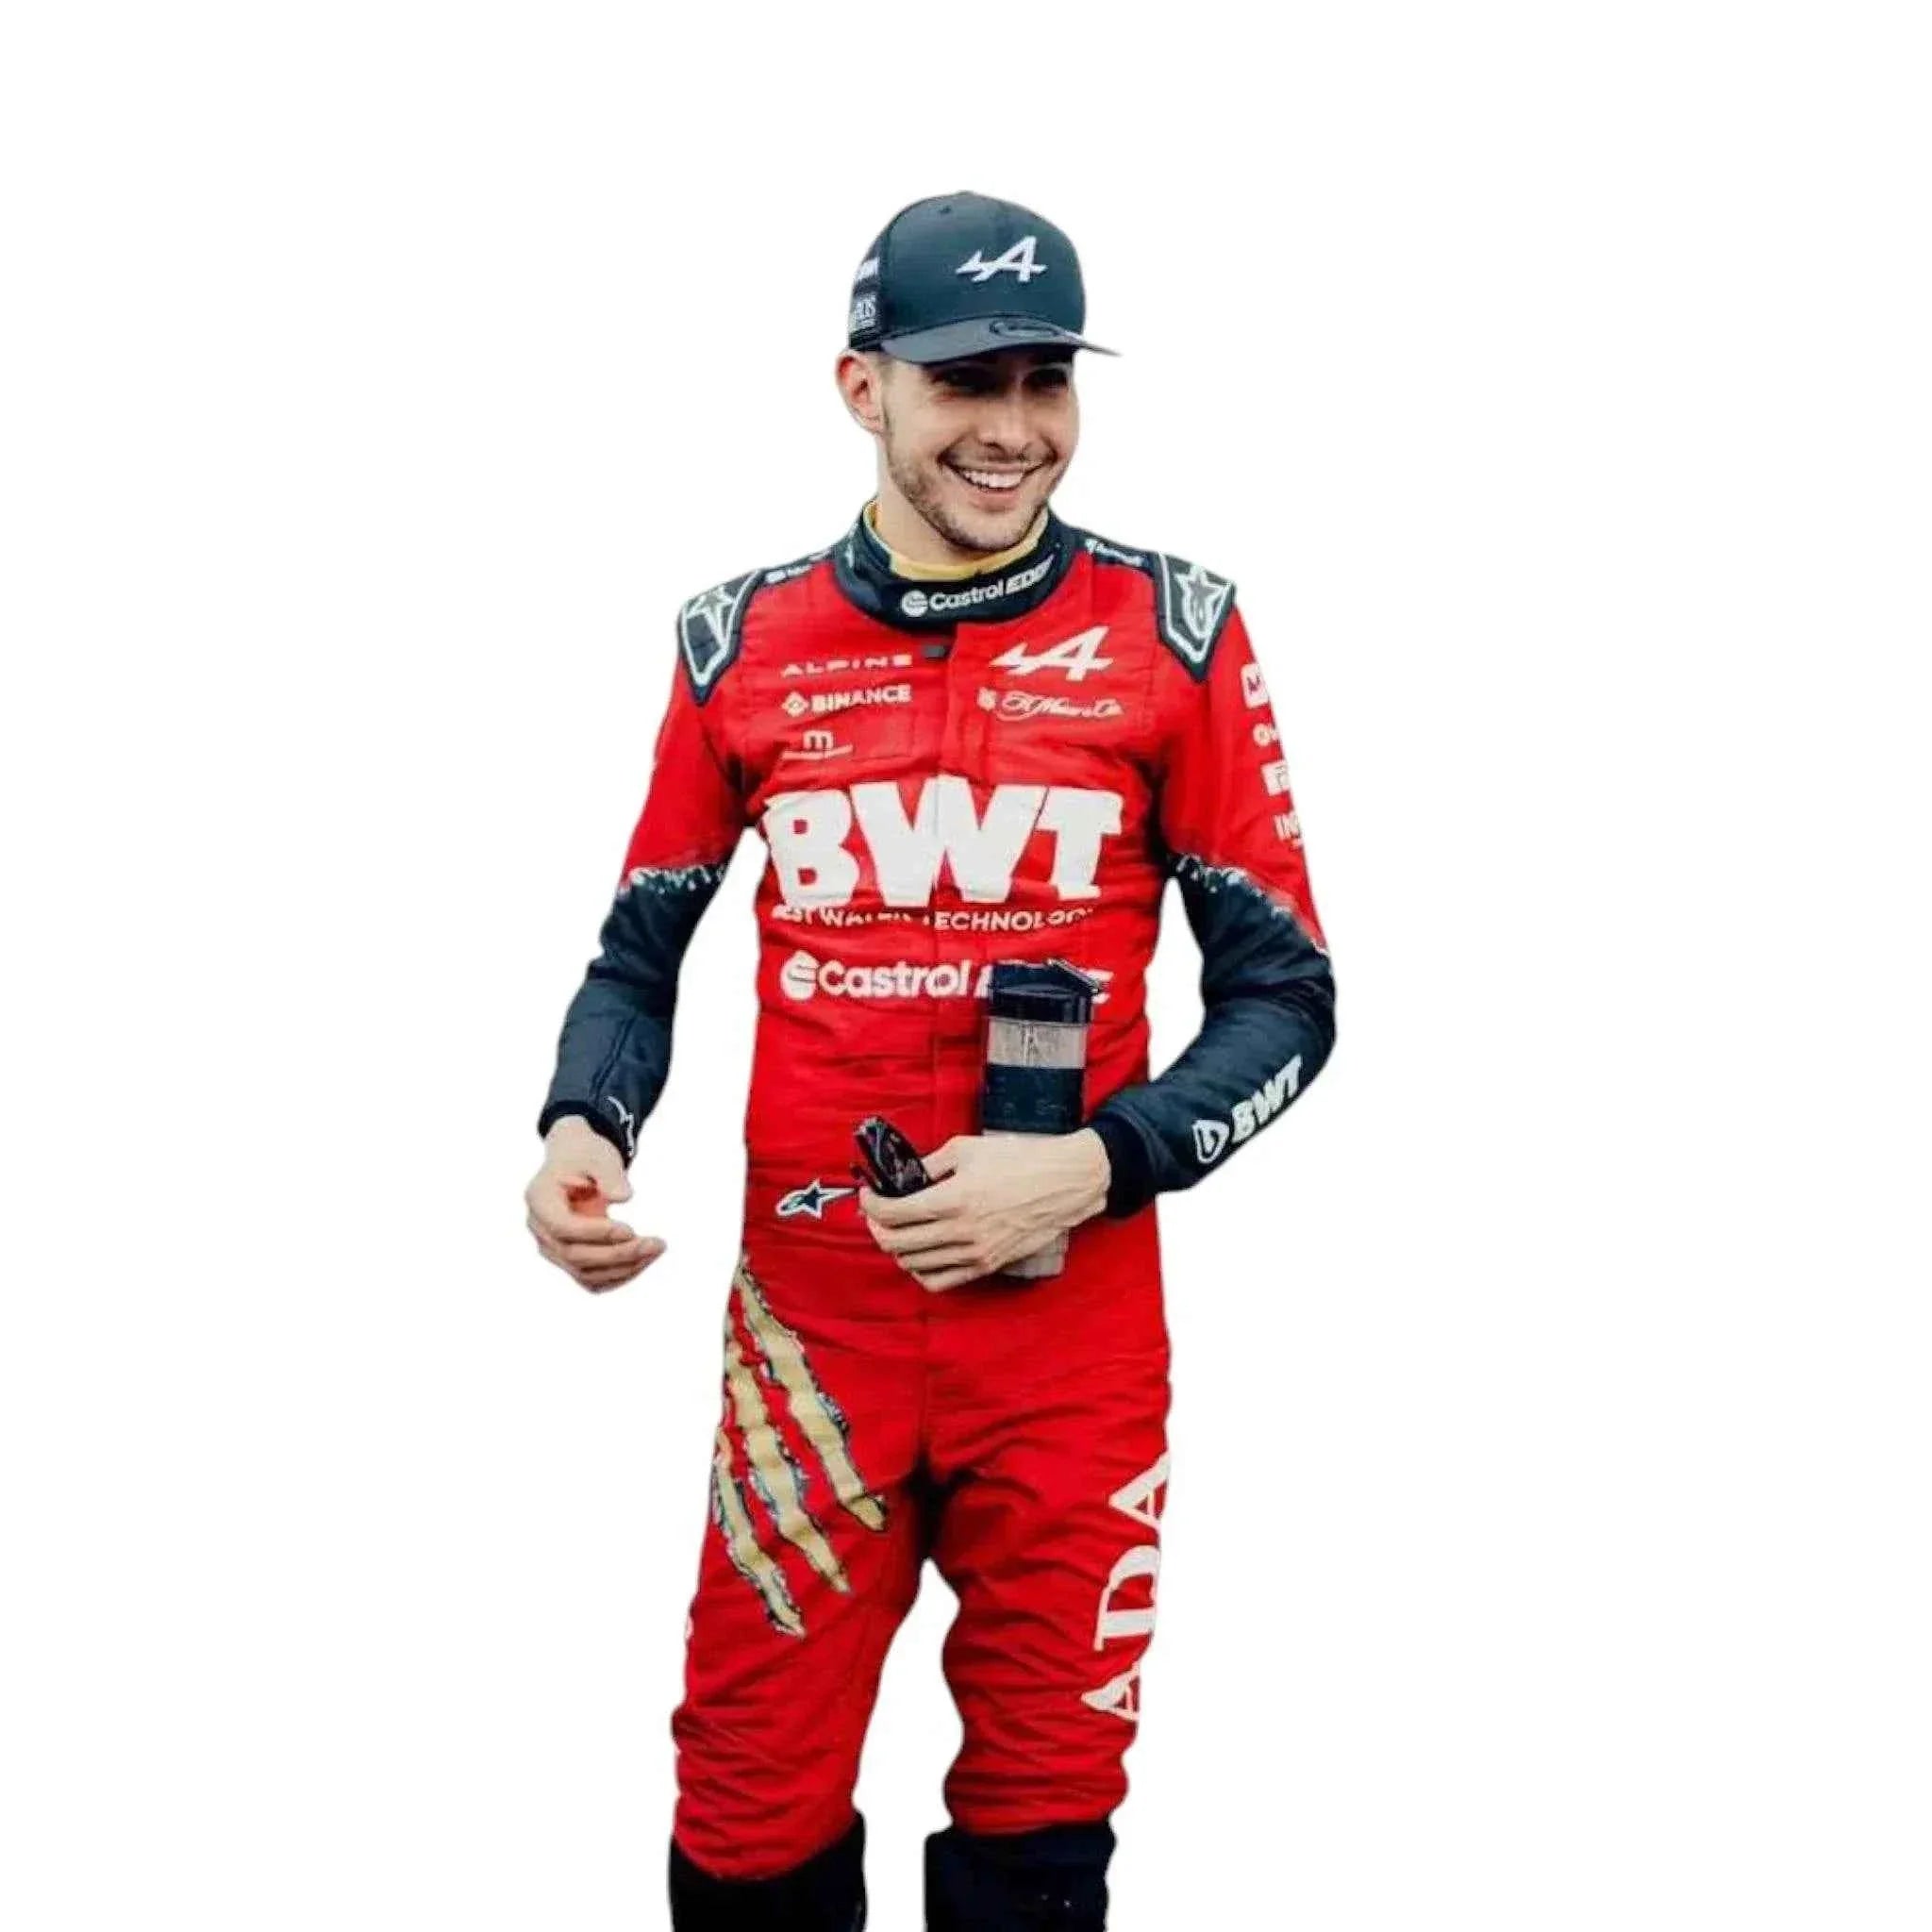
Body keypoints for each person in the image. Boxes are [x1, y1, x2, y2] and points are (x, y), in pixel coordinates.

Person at [526, 191, 1337, 1931]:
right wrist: (585, 1126)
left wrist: (1099, 1161)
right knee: (747, 1802)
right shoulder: (734, 641)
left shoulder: (1179, 630)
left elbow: (1290, 999)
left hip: (1073, 1341)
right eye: (968, 380)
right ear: (861, 387)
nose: (1014, 427)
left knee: (1044, 1814)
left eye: (1047, 380)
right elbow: (638, 956)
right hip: (810, 1337)